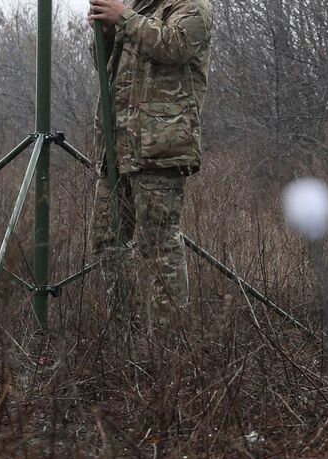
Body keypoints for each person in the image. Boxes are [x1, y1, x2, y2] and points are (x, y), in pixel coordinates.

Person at [87, 0, 213, 329]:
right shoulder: (134, 7)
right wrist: (106, 33)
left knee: (158, 245)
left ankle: (170, 347)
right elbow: (102, 65)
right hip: (117, 150)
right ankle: (125, 336)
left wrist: (125, 19)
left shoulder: (191, 7)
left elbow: (176, 46)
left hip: (159, 148)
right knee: (106, 241)